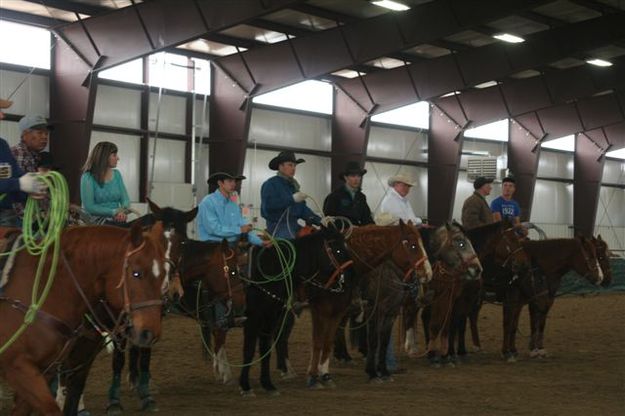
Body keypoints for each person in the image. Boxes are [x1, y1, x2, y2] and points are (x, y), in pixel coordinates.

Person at [0, 99, 47, 228]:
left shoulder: (2, 146)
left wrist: (30, 188)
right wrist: (19, 184)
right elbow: (17, 182)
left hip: (7, 216)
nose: (2, 116)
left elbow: (16, 174)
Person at [198, 171, 270, 247]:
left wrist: (260, 242)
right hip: (212, 246)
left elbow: (243, 225)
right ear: (220, 183)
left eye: (234, 181)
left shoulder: (233, 204)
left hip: (231, 246)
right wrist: (239, 230)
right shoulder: (208, 202)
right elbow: (213, 229)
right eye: (230, 181)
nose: (234, 184)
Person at [260, 151, 321, 239]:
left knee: (315, 239)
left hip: (293, 225)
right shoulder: (270, 184)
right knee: (290, 245)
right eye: (290, 165)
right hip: (277, 226)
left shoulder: (293, 186)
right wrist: (291, 199)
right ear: (280, 166)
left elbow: (303, 209)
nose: (293, 168)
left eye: (294, 166)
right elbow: (268, 207)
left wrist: (320, 220)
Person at [80, 141, 130, 226]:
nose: (118, 158)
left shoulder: (117, 174)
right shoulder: (87, 177)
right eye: (114, 155)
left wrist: (122, 211)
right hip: (96, 223)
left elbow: (125, 199)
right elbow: (89, 207)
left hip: (116, 219)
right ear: (104, 157)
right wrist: (113, 212)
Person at [323, 161, 373, 226]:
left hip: (358, 232)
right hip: (341, 233)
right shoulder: (335, 196)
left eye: (358, 176)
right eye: (353, 176)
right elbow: (329, 218)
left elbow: (366, 217)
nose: (356, 179)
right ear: (345, 177)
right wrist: (348, 226)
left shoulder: (361, 197)